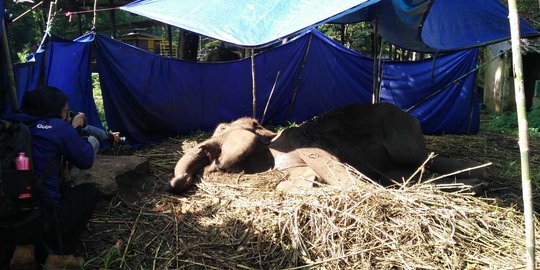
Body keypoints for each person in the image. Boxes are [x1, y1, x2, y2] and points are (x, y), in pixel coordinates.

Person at [0, 86, 101, 269]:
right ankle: (60, 256)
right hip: (43, 213)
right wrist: (75, 129)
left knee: (28, 198)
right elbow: (85, 159)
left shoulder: (10, 123)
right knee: (89, 193)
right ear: (56, 111)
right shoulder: (57, 127)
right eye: (65, 110)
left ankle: (23, 251)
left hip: (7, 215)